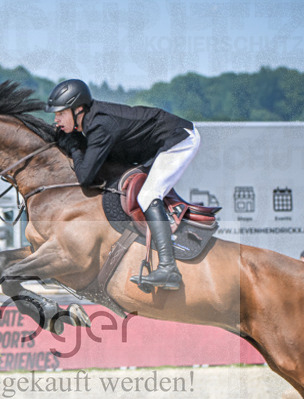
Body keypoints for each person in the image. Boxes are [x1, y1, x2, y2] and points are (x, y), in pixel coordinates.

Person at [46, 79, 199, 292]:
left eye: (60, 113)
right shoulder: (90, 122)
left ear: (78, 109)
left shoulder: (100, 126)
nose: (56, 119)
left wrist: (74, 148)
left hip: (179, 138)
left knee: (147, 196)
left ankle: (168, 268)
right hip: (157, 144)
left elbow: (85, 178)